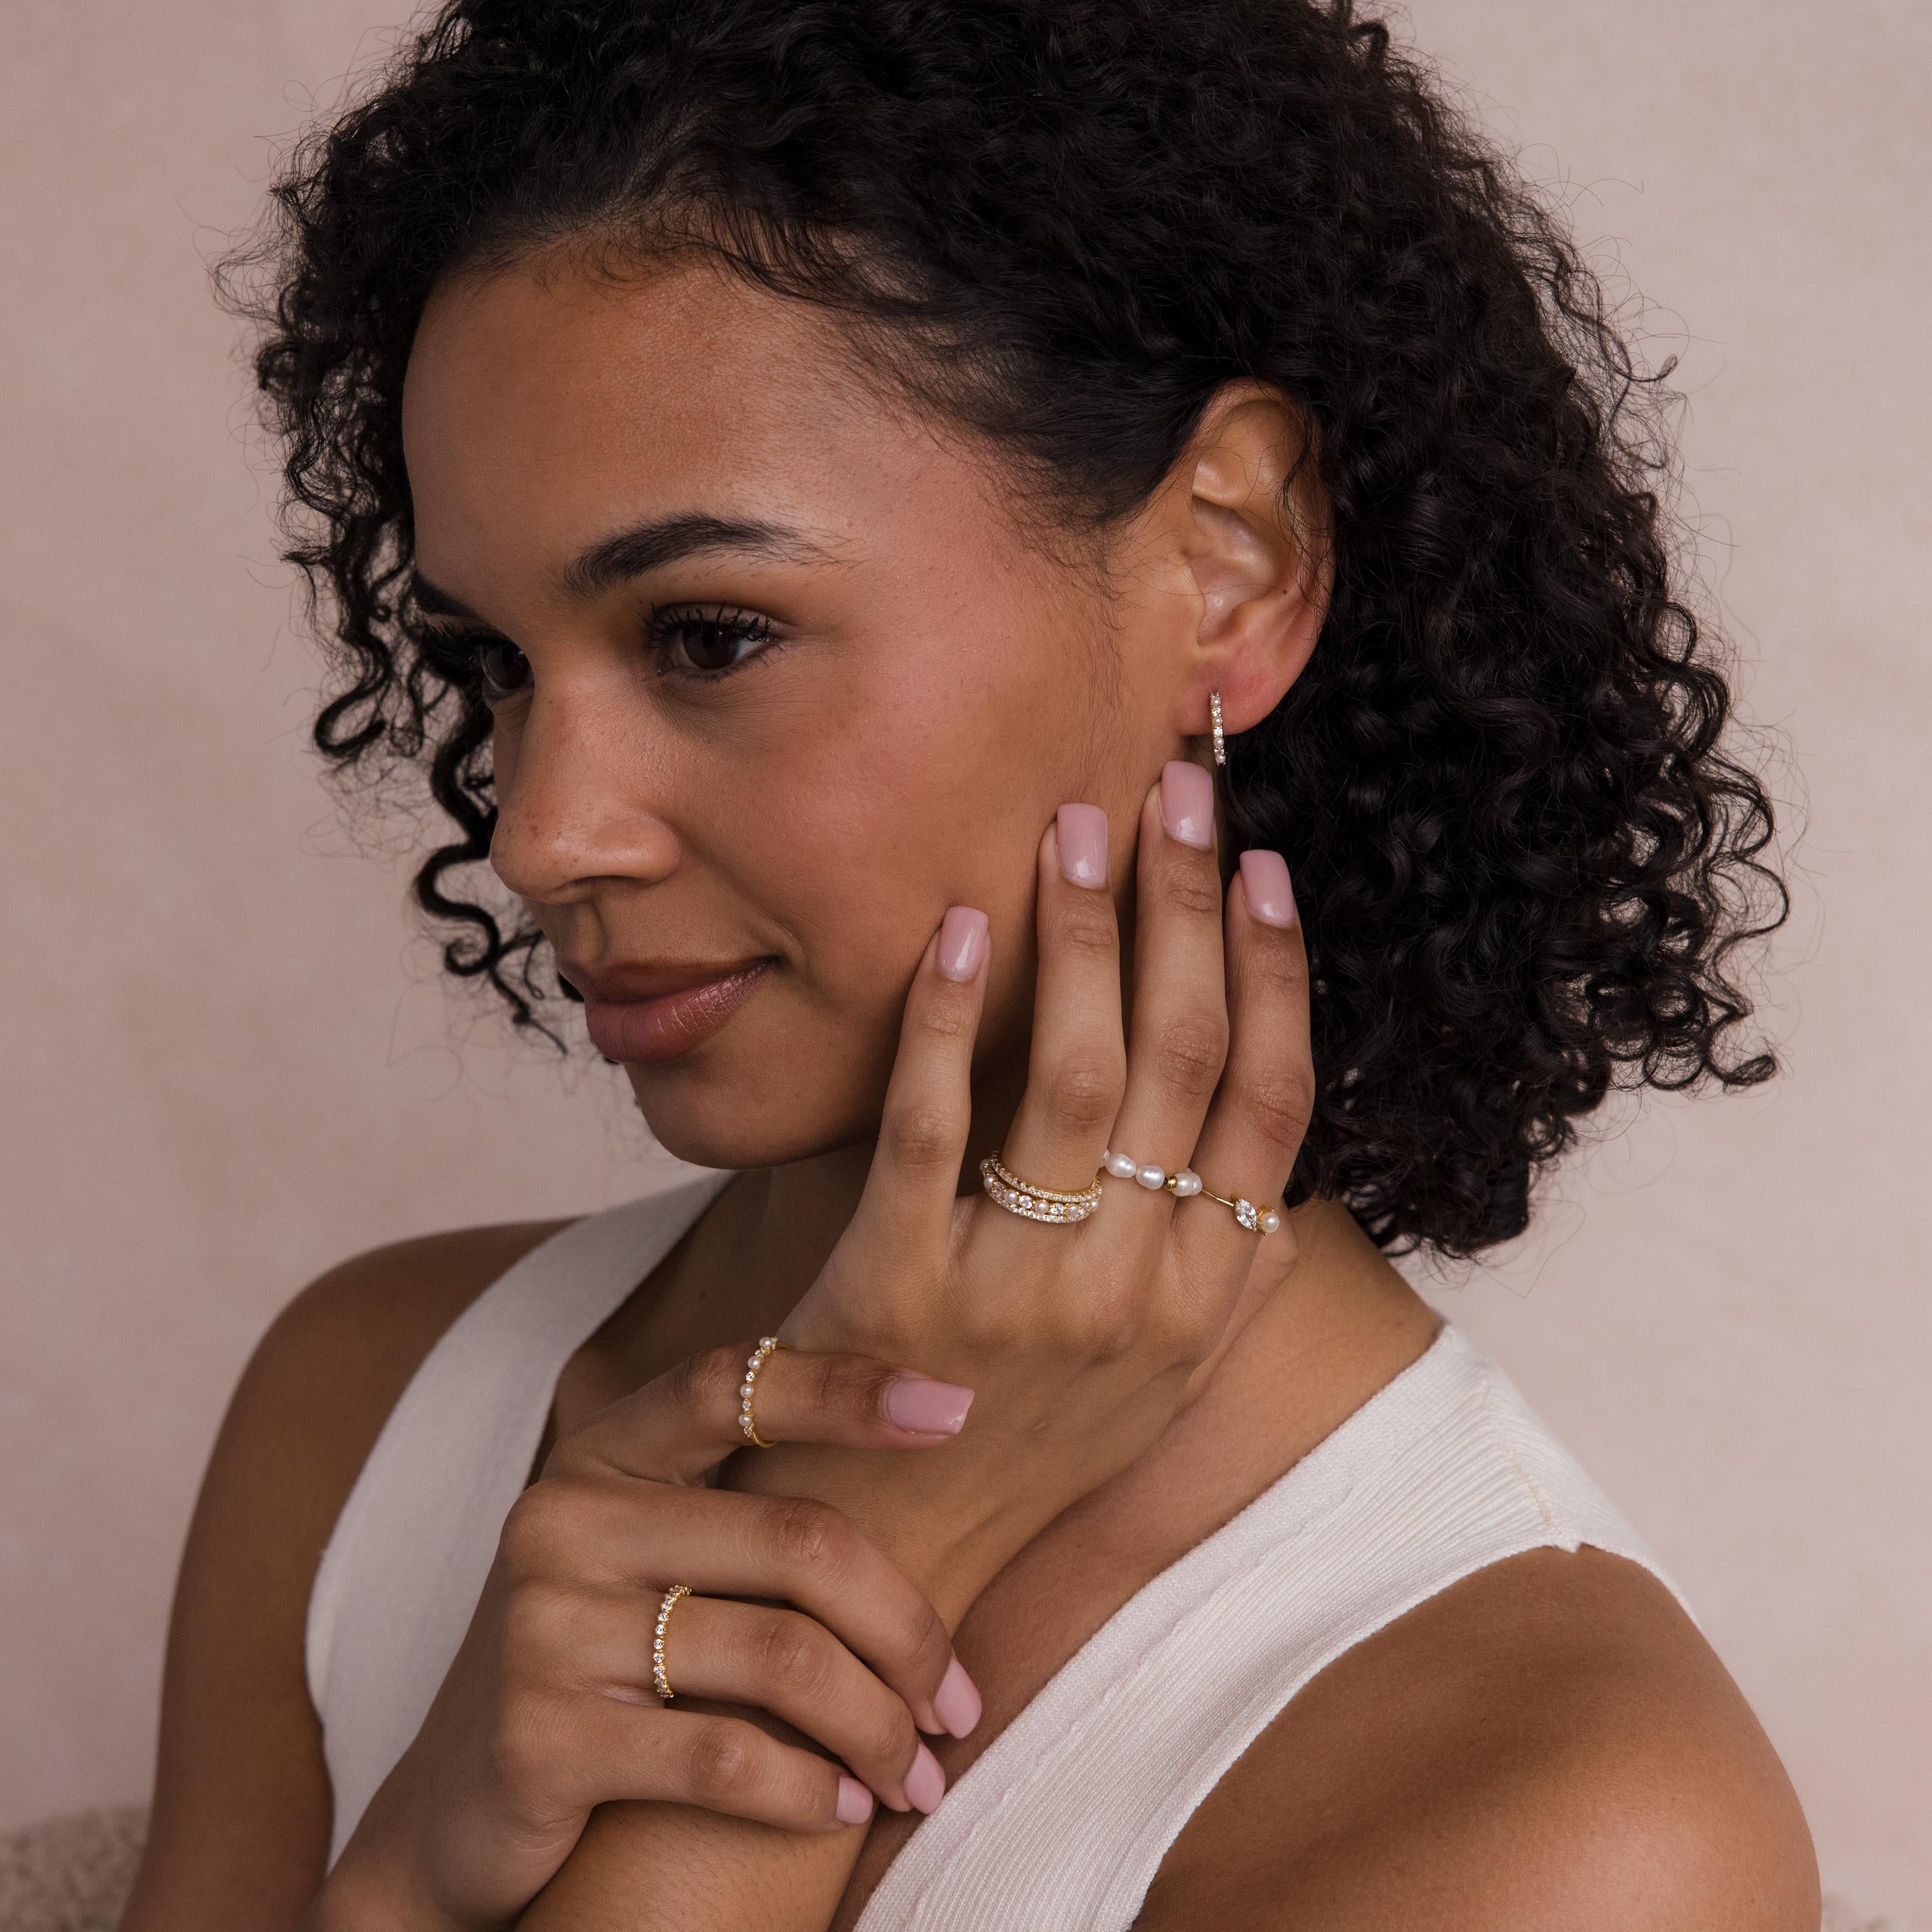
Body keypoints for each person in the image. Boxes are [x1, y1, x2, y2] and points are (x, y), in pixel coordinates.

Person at [123, 1, 1821, 1926]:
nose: (540, 831)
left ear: (1229, 563)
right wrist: (405, 1873)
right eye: (495, 663)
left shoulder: (1560, 1819)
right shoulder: (365, 1405)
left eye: (706, 634)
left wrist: (866, 1541)